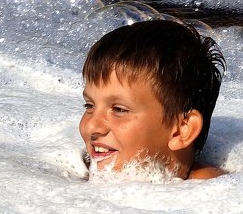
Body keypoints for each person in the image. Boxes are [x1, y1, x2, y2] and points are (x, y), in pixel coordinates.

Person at [80, 17, 225, 180]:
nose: (92, 126)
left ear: (181, 130)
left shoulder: (211, 191)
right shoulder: (79, 168)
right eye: (89, 105)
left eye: (119, 109)